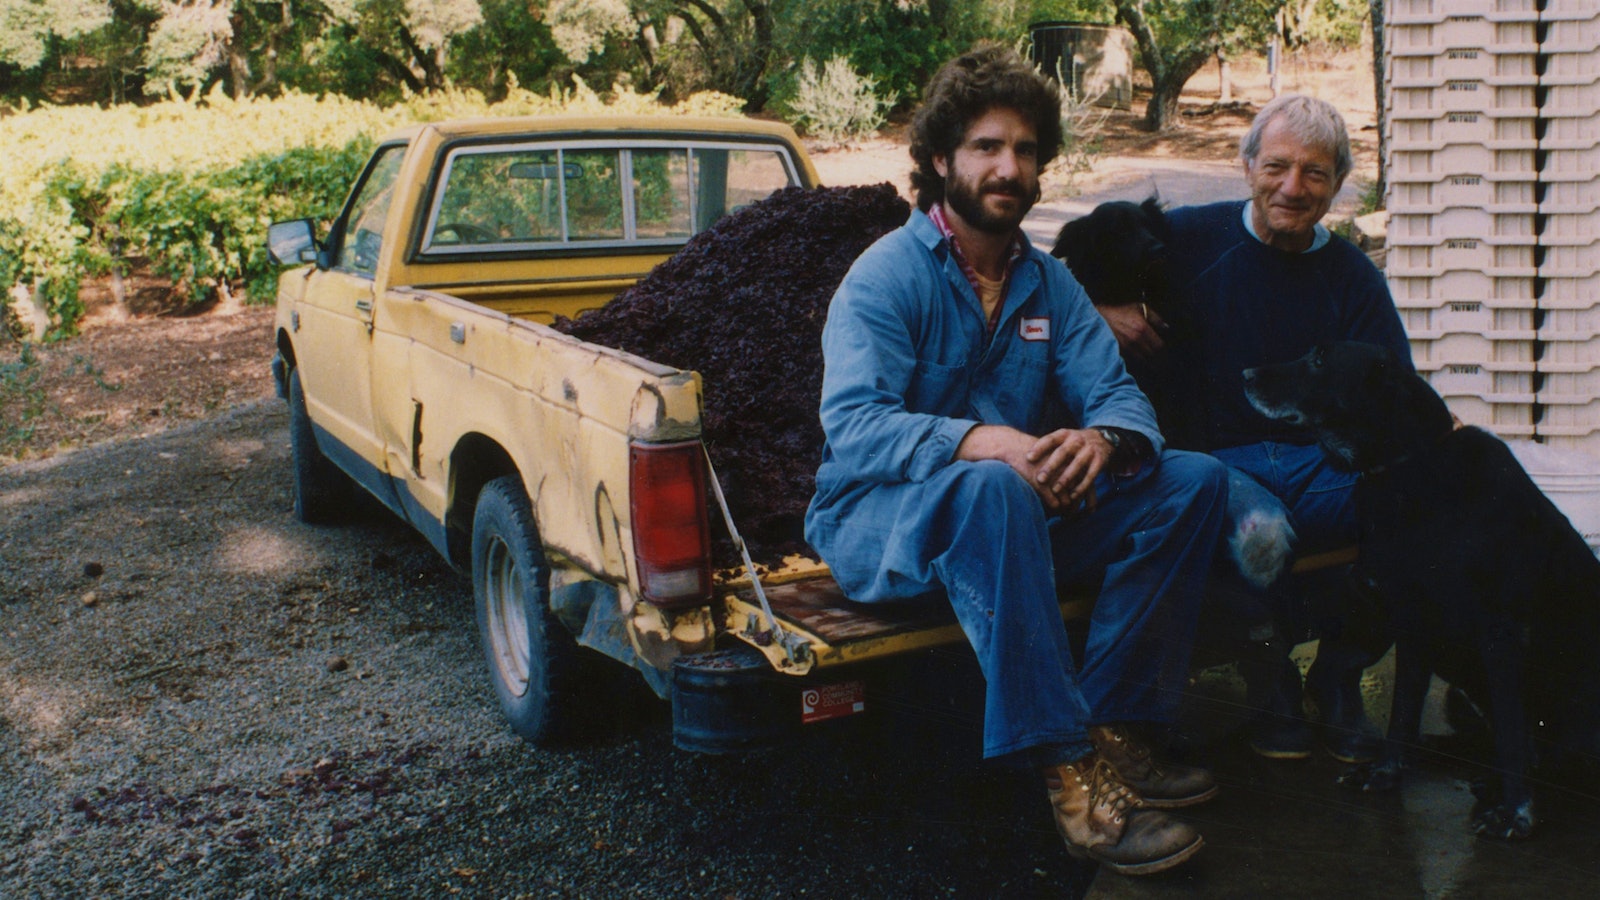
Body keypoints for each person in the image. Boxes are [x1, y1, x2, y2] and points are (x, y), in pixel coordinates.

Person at [804, 45, 1228, 876]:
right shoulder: (884, 278)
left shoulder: (1049, 284)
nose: (1010, 167)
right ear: (940, 162)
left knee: (1194, 481)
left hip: (1009, 518)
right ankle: (1068, 771)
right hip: (883, 525)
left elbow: (1123, 400)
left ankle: (1115, 725)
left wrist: (1102, 440)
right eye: (988, 147)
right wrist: (977, 439)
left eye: (1026, 150)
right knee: (996, 485)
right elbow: (854, 426)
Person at [1096, 94, 1413, 762]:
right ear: (1246, 167)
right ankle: (1268, 679)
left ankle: (1338, 672)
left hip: (1320, 465)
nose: (1293, 188)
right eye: (1277, 167)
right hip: (1212, 465)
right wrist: (1106, 310)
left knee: (1417, 510)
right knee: (1260, 535)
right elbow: (1051, 285)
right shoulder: (1184, 239)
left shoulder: (1354, 278)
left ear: (1335, 187)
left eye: (1315, 174)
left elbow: (1395, 393)